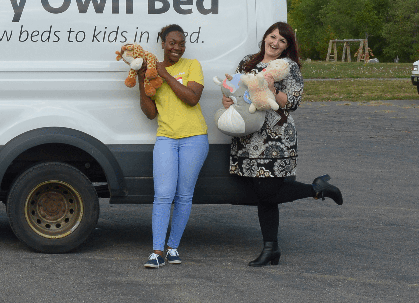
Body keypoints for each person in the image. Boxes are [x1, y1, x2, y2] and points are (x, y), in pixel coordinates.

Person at [223, 21, 343, 267]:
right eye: (273, 36)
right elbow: (233, 89)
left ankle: (316, 189)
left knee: (268, 192)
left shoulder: (288, 67)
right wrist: (228, 101)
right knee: (263, 194)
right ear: (265, 37)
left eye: (282, 40)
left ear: (287, 47)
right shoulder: (247, 62)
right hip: (248, 135)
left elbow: (293, 101)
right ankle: (271, 248)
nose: (275, 43)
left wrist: (270, 88)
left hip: (275, 137)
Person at [137, 24, 209, 269]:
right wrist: (141, 79)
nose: (177, 47)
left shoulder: (192, 65)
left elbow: (192, 98)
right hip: (166, 137)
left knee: (184, 195)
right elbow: (150, 113)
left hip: (194, 138)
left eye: (181, 43)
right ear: (163, 43)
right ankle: (157, 251)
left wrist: (164, 74)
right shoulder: (151, 72)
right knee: (163, 195)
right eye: (172, 43)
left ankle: (173, 247)